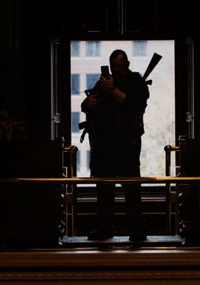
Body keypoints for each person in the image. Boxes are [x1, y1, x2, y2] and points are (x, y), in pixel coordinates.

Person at [81, 49, 149, 242]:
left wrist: (111, 89)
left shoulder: (136, 82)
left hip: (127, 144)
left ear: (127, 64)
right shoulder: (104, 82)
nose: (116, 70)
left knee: (132, 189)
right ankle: (104, 228)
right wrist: (87, 104)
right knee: (104, 189)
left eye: (119, 66)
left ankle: (137, 229)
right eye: (113, 67)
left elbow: (133, 104)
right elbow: (88, 104)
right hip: (105, 146)